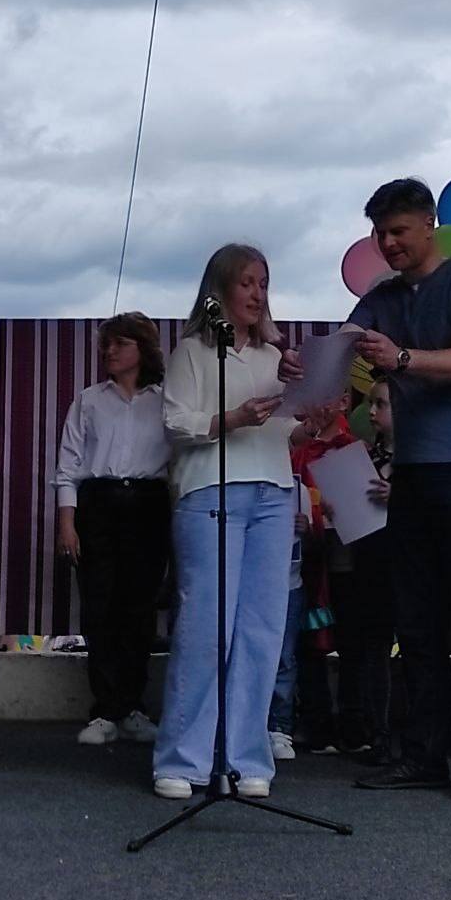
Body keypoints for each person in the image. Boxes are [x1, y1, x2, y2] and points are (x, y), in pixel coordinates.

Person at [284, 178, 451, 802]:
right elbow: (338, 353)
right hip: (411, 474)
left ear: (429, 224)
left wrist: (402, 358)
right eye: (380, 234)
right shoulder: (381, 297)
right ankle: (423, 756)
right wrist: (298, 366)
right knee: (418, 622)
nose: (388, 244)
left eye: (399, 231)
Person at [153, 244, 298, 800]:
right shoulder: (193, 351)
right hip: (211, 489)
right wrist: (231, 419)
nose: (258, 293)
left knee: (262, 629)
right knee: (206, 627)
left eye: (264, 283)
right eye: (247, 282)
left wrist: (311, 418)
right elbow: (174, 421)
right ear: (220, 289)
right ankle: (183, 759)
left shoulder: (276, 358)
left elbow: (285, 430)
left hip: (273, 491)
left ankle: (246, 758)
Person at [54, 312, 172, 746]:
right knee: (99, 604)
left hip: (148, 502)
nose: (110, 351)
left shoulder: (166, 401)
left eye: (120, 343)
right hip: (98, 502)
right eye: (106, 344)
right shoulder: (89, 400)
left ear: (143, 349)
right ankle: (105, 709)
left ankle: (133, 706)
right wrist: (67, 522)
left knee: (139, 607)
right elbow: (68, 465)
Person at [291, 395, 368, 755]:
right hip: (308, 562)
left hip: (345, 562)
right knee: (309, 642)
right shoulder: (298, 450)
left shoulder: (353, 449)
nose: (318, 407)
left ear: (342, 402)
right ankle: (316, 722)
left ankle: (354, 725)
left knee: (352, 642)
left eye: (326, 399)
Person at [350, 376, 397, 766]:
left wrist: (401, 497)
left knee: (408, 647)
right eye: (370, 403)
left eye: (382, 403)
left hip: (406, 563)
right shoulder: (367, 456)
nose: (372, 411)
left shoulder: (419, 458)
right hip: (369, 560)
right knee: (372, 647)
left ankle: (408, 732)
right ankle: (376, 731)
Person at [267, 474, 313, 761]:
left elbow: (312, 548)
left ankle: (279, 727)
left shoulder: (300, 490)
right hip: (257, 585)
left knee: (284, 659)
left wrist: (306, 530)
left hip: (289, 584)